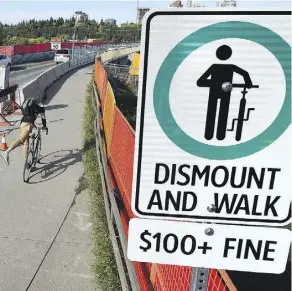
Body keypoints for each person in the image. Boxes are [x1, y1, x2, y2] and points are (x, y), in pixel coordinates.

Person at [197, 45, 253, 141]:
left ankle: (219, 136)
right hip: (216, 93)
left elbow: (245, 74)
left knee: (223, 113)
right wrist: (216, 83)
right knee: (212, 113)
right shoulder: (217, 67)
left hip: (223, 94)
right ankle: (210, 135)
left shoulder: (224, 67)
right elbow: (200, 82)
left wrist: (248, 83)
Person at [1, 96, 48, 165]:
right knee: (21, 139)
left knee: (26, 143)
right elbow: (43, 118)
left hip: (22, 123)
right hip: (28, 126)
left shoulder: (31, 103)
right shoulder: (41, 108)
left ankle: (26, 162)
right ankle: (6, 152)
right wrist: (44, 127)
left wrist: (34, 124)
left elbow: (28, 116)